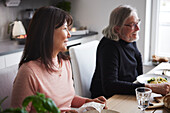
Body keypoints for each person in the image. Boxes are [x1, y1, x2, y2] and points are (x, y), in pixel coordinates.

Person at [11, 6, 106, 113]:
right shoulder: (28, 72)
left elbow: (68, 98)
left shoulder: (64, 63)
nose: (69, 35)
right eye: (65, 29)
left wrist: (88, 101)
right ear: (48, 32)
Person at [90, 5, 170, 99]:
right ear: (117, 29)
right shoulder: (109, 47)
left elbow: (138, 72)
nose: (138, 28)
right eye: (132, 25)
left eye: (138, 23)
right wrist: (149, 88)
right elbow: (110, 86)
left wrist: (145, 88)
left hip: (127, 93)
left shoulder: (129, 39)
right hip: (108, 99)